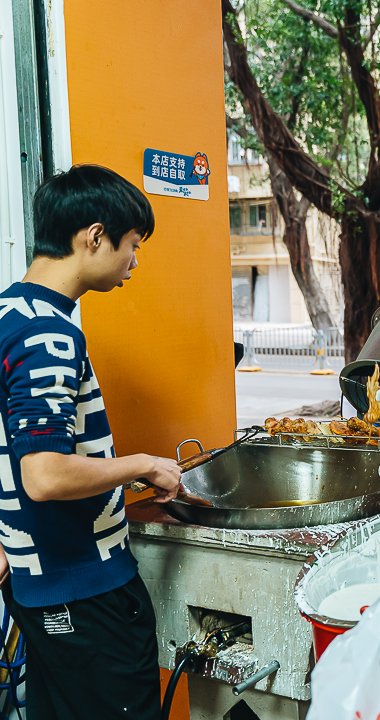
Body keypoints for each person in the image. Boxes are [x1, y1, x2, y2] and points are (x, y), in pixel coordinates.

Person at [0, 165, 183, 719]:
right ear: (95, 237)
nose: (134, 260)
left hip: (41, 585)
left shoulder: (10, 313)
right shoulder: (49, 334)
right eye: (131, 245)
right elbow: (45, 473)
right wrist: (144, 465)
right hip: (82, 585)